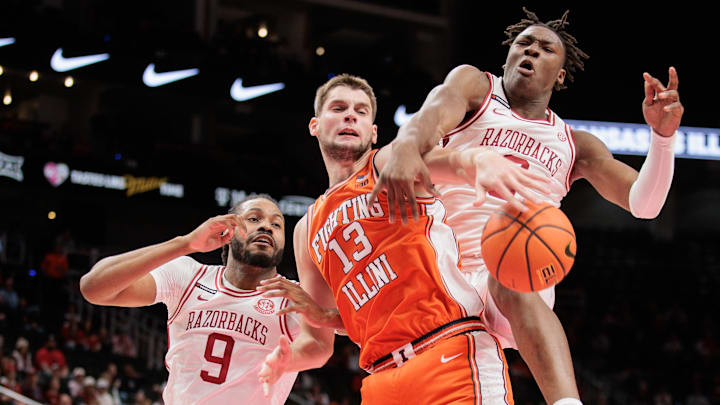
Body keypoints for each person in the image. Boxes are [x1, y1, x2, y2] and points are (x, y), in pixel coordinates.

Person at [368, 8, 683, 405]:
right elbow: (430, 118)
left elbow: (646, 204)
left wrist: (662, 139)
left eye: (545, 48)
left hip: (516, 267)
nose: (530, 52)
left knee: (509, 264)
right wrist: (406, 146)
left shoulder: (575, 145)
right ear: (507, 57)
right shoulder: (476, 87)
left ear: (562, 74)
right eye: (523, 44)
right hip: (439, 268)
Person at [258, 73, 550, 404]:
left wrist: (475, 160)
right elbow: (318, 345)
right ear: (315, 125)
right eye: (338, 108)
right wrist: (286, 361)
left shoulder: (388, 164)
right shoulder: (305, 229)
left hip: (446, 349)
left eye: (361, 111)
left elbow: (446, 162)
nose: (350, 115)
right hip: (381, 380)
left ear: (373, 131)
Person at [79, 195, 332, 405]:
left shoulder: (295, 297)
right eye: (254, 219)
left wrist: (318, 320)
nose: (266, 227)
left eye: (277, 225)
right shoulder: (188, 275)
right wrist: (185, 243)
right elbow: (94, 287)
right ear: (229, 229)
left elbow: (342, 337)